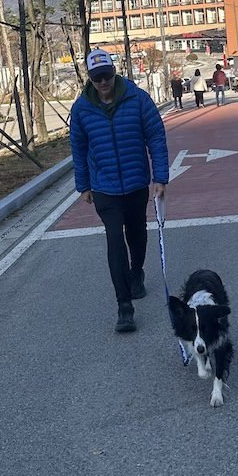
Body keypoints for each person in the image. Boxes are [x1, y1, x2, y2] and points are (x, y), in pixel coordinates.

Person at [69, 49, 169, 333]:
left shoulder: (137, 99)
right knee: (114, 239)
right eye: (96, 77)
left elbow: (156, 136)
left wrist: (160, 176)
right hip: (105, 187)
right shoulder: (81, 108)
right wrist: (83, 185)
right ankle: (124, 307)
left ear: (114, 71)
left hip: (136, 182)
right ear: (89, 78)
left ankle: (137, 272)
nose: (103, 82)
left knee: (137, 234)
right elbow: (78, 147)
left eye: (106, 75)